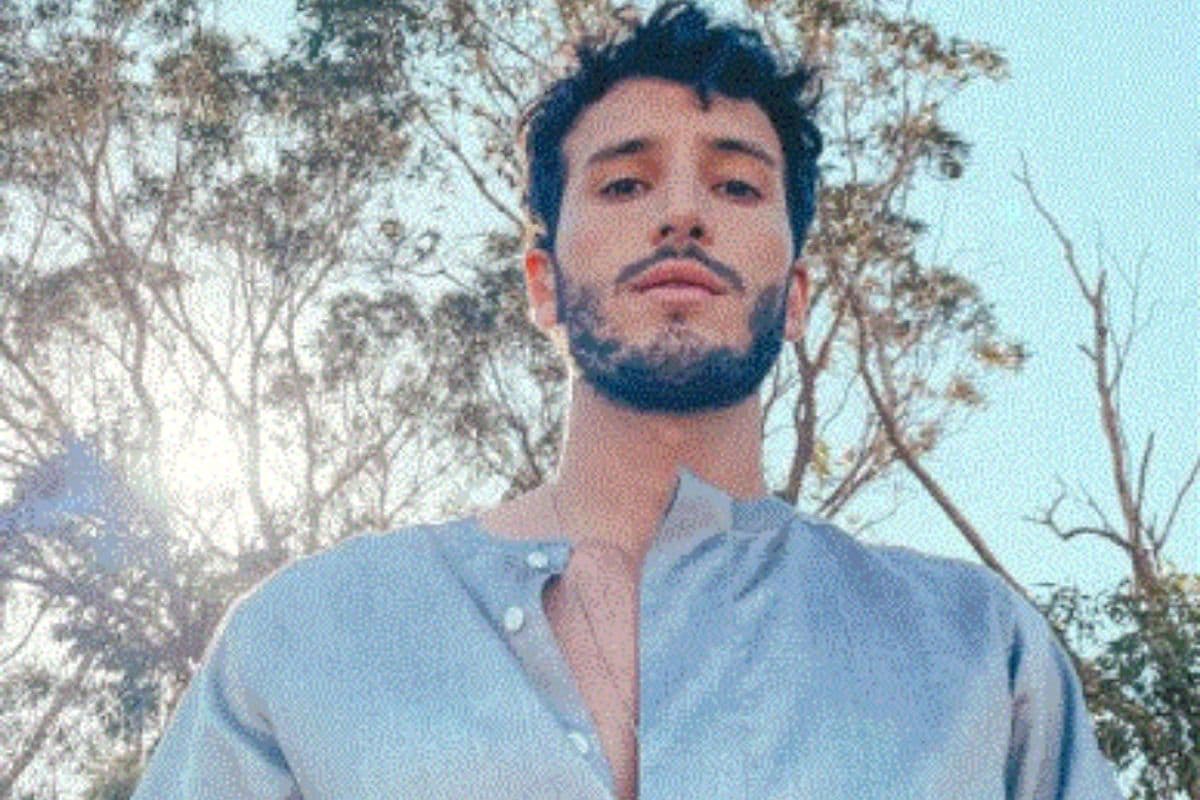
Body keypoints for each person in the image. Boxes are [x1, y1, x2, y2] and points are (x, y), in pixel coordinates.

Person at [132, 3, 1124, 798]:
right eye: (623, 186)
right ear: (542, 284)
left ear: (798, 295)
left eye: (736, 187)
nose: (682, 211)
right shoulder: (304, 640)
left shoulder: (978, 656)